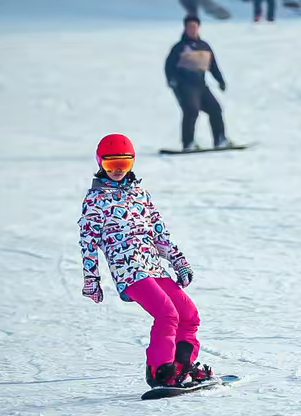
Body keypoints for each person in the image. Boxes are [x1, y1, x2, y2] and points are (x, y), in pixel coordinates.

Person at [78, 134, 213, 388]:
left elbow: (160, 234)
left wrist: (178, 261)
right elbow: (88, 243)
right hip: (128, 271)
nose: (117, 171)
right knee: (166, 314)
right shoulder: (95, 201)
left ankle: (181, 369)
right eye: (111, 165)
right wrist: (91, 278)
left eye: (123, 164)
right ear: (100, 164)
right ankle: (160, 372)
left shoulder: (141, 194)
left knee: (188, 315)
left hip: (153, 266)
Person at [165, 15, 230, 151]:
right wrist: (172, 80)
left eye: (194, 27)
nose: (192, 30)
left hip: (201, 84)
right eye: (190, 27)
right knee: (191, 110)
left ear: (198, 28)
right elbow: (169, 66)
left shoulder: (204, 46)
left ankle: (220, 140)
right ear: (185, 28)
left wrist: (220, 80)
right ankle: (188, 143)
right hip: (184, 84)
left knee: (215, 109)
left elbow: (213, 66)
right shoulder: (179, 47)